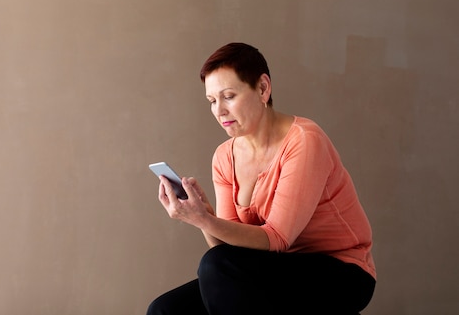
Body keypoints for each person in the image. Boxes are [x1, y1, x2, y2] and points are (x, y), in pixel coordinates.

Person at [147, 43, 376, 315]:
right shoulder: (224, 156)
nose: (219, 111)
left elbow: (277, 238)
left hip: (341, 272)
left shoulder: (304, 141)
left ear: (263, 88)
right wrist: (203, 217)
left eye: (228, 96)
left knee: (215, 265)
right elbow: (228, 248)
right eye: (212, 101)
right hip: (271, 267)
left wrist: (206, 220)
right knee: (164, 309)